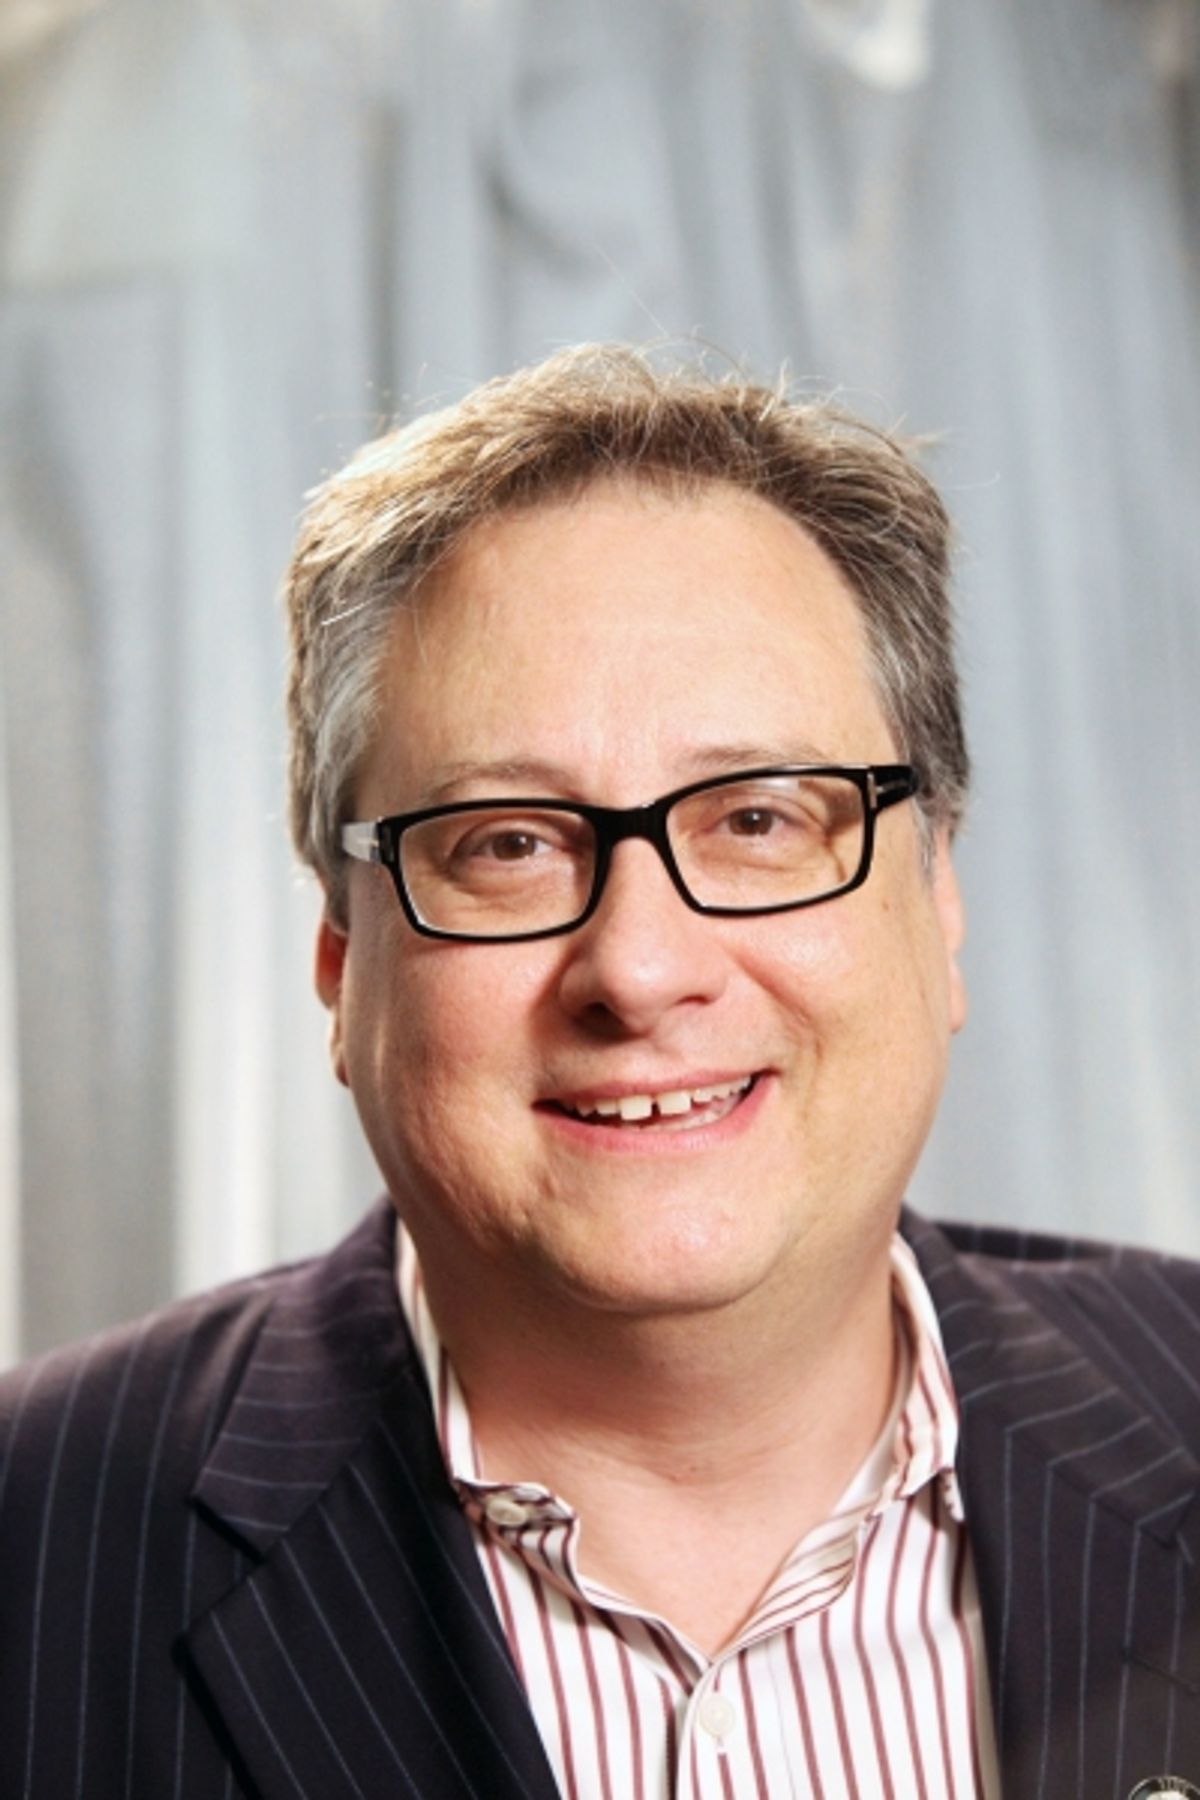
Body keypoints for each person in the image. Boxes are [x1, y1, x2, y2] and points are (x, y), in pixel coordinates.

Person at [1, 346, 1198, 1800]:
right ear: (337, 953)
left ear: (937, 902)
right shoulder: (33, 1535)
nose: (637, 969)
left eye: (760, 820)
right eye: (505, 844)